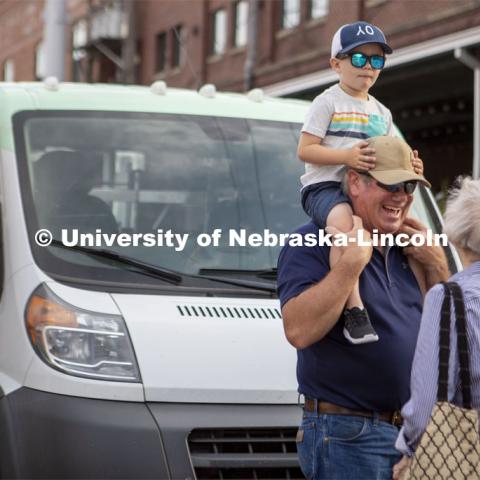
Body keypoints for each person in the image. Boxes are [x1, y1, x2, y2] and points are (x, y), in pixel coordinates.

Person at [277, 135, 450, 480]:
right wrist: (351, 263)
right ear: (355, 182)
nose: (401, 196)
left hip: (415, 436)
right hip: (349, 435)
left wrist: (438, 265)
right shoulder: (311, 241)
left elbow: (447, 333)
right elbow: (298, 330)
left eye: (408, 185)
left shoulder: (412, 248)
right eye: (391, 184)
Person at [297, 21, 425, 345]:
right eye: (358, 58)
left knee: (412, 230)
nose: (368, 66)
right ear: (335, 64)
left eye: (376, 60)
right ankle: (354, 309)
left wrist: (410, 164)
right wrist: (346, 158)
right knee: (346, 227)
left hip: (364, 192)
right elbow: (305, 150)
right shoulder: (327, 102)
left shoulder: (383, 113)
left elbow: (386, 157)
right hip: (324, 187)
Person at [393, 177, 480, 480]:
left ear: (454, 236)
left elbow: (428, 401)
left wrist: (410, 451)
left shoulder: (449, 297)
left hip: (467, 455)